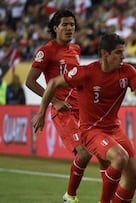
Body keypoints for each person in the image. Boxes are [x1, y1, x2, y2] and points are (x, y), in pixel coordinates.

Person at [32, 33, 136, 203]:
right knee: (119, 158)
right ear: (105, 54)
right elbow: (53, 83)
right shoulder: (86, 72)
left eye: (123, 51)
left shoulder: (128, 71)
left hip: (114, 129)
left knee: (133, 177)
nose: (123, 56)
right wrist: (42, 112)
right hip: (91, 130)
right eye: (118, 52)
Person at [25, 9, 93, 203]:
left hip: (82, 109)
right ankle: (70, 197)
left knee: (103, 153)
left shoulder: (76, 49)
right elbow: (30, 81)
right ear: (55, 28)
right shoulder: (46, 51)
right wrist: (52, 103)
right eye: (64, 24)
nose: (69, 28)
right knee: (83, 152)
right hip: (63, 111)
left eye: (72, 24)